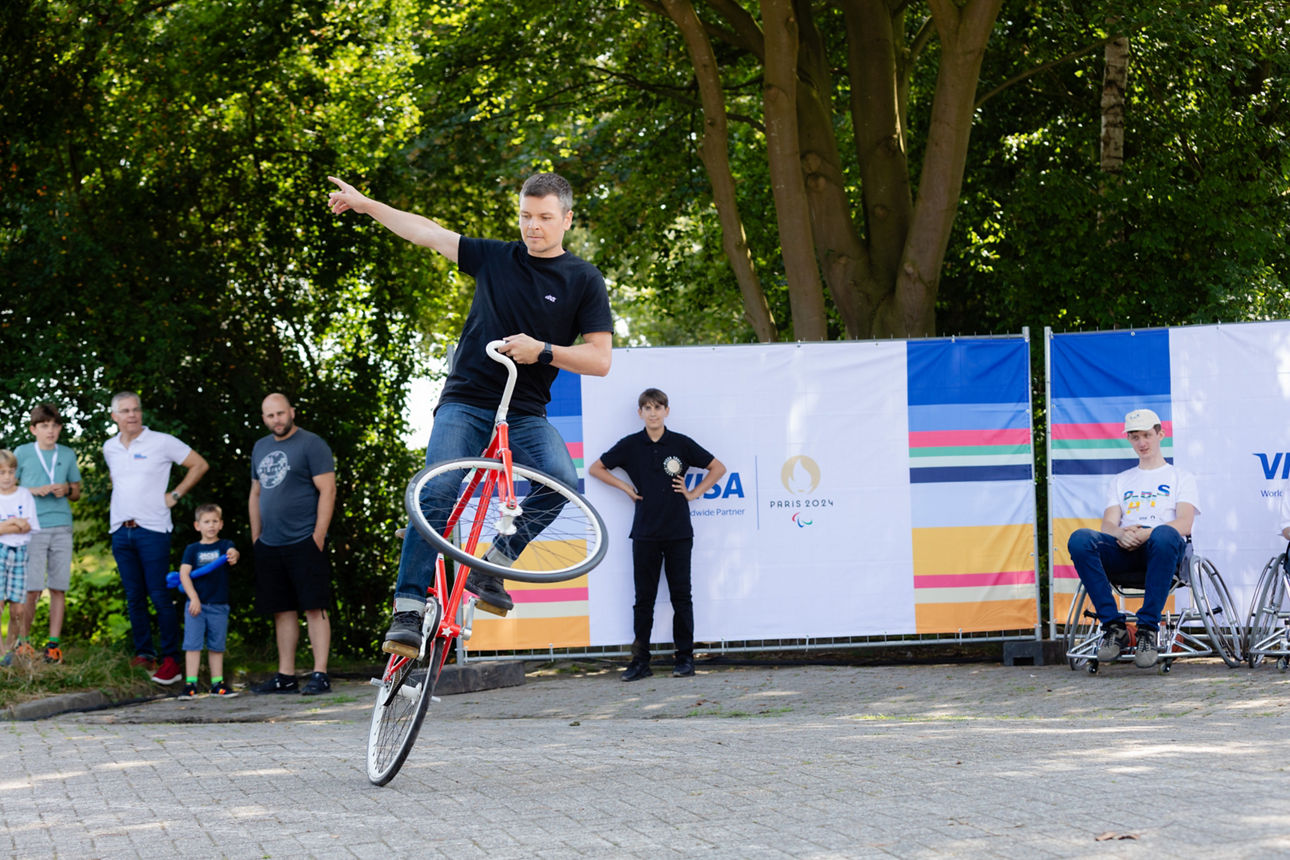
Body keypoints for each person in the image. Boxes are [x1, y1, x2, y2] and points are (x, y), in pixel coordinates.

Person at [326, 171, 612, 658]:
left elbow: (599, 360)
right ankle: (409, 609)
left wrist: (541, 350)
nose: (532, 227)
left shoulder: (583, 279)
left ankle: (491, 565)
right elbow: (428, 232)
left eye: (544, 218)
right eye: (525, 216)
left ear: (566, 219)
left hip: (524, 411)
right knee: (435, 490)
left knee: (561, 482)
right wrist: (366, 205)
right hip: (466, 400)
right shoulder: (496, 257)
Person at [589, 389, 726, 680]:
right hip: (644, 532)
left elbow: (717, 467)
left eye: (658, 407)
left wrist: (694, 493)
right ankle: (640, 662)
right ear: (640, 413)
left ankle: (685, 659)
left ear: (667, 410)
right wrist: (625, 488)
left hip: (678, 531)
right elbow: (596, 468)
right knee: (644, 600)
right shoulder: (630, 445)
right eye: (647, 408)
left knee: (681, 597)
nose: (653, 412)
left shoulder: (680, 443)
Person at [1066, 408, 1198, 669]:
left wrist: (1147, 533)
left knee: (1165, 533)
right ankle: (1114, 628)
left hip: (1162, 551)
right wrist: (1121, 534)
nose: (1142, 443)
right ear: (1128, 439)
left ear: (1161, 434)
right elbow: (1108, 524)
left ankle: (1148, 630)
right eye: (1135, 437)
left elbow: (1185, 523)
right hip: (1124, 550)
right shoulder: (1121, 480)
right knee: (1080, 539)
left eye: (1147, 435)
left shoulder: (1180, 477)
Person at [103, 391, 209, 685]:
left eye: (136, 409)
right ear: (114, 416)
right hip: (121, 531)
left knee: (160, 595)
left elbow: (199, 464)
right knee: (134, 596)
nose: (132, 415)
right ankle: (144, 654)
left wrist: (175, 495)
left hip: (153, 530)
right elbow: (120, 480)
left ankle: (171, 661)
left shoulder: (162, 442)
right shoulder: (109, 447)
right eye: (125, 411)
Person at [248, 393, 336, 696]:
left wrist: (319, 535)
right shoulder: (260, 447)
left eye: (281, 414)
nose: (277, 420)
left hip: (305, 539)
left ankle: (320, 673)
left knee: (315, 607)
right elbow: (256, 493)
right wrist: (256, 537)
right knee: (282, 610)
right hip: (270, 543)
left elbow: (327, 490)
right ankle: (285, 676)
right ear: (264, 418)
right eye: (270, 415)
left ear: (292, 412)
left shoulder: (312, 444)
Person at [15, 403, 81, 663]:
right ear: (34, 429)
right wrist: (33, 490)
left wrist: (65, 489)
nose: (50, 431)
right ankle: (23, 642)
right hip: (33, 527)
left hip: (62, 526)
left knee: (58, 587)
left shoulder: (67, 453)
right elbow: (8, 489)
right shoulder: (22, 452)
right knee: (32, 589)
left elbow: (76, 492)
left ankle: (53, 645)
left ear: (60, 428)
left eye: (54, 426)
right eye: (44, 426)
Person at [177, 504, 240, 696]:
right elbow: (184, 574)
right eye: (206, 522)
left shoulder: (224, 545)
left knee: (216, 646)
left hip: (219, 605)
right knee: (192, 644)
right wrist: (193, 598)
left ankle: (217, 684)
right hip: (196, 606)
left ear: (220, 524)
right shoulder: (192, 549)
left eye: (214, 521)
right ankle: (190, 685)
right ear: (198, 526)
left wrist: (234, 554)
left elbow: (233, 553)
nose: (211, 525)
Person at [0, 449, 41, 667]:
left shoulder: (23, 495)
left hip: (19, 553)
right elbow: (20, 524)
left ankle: (10, 648)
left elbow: (29, 526)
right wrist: (15, 523)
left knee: (17, 608)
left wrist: (6, 526)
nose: (6, 476)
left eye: (10, 472)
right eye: (2, 472)